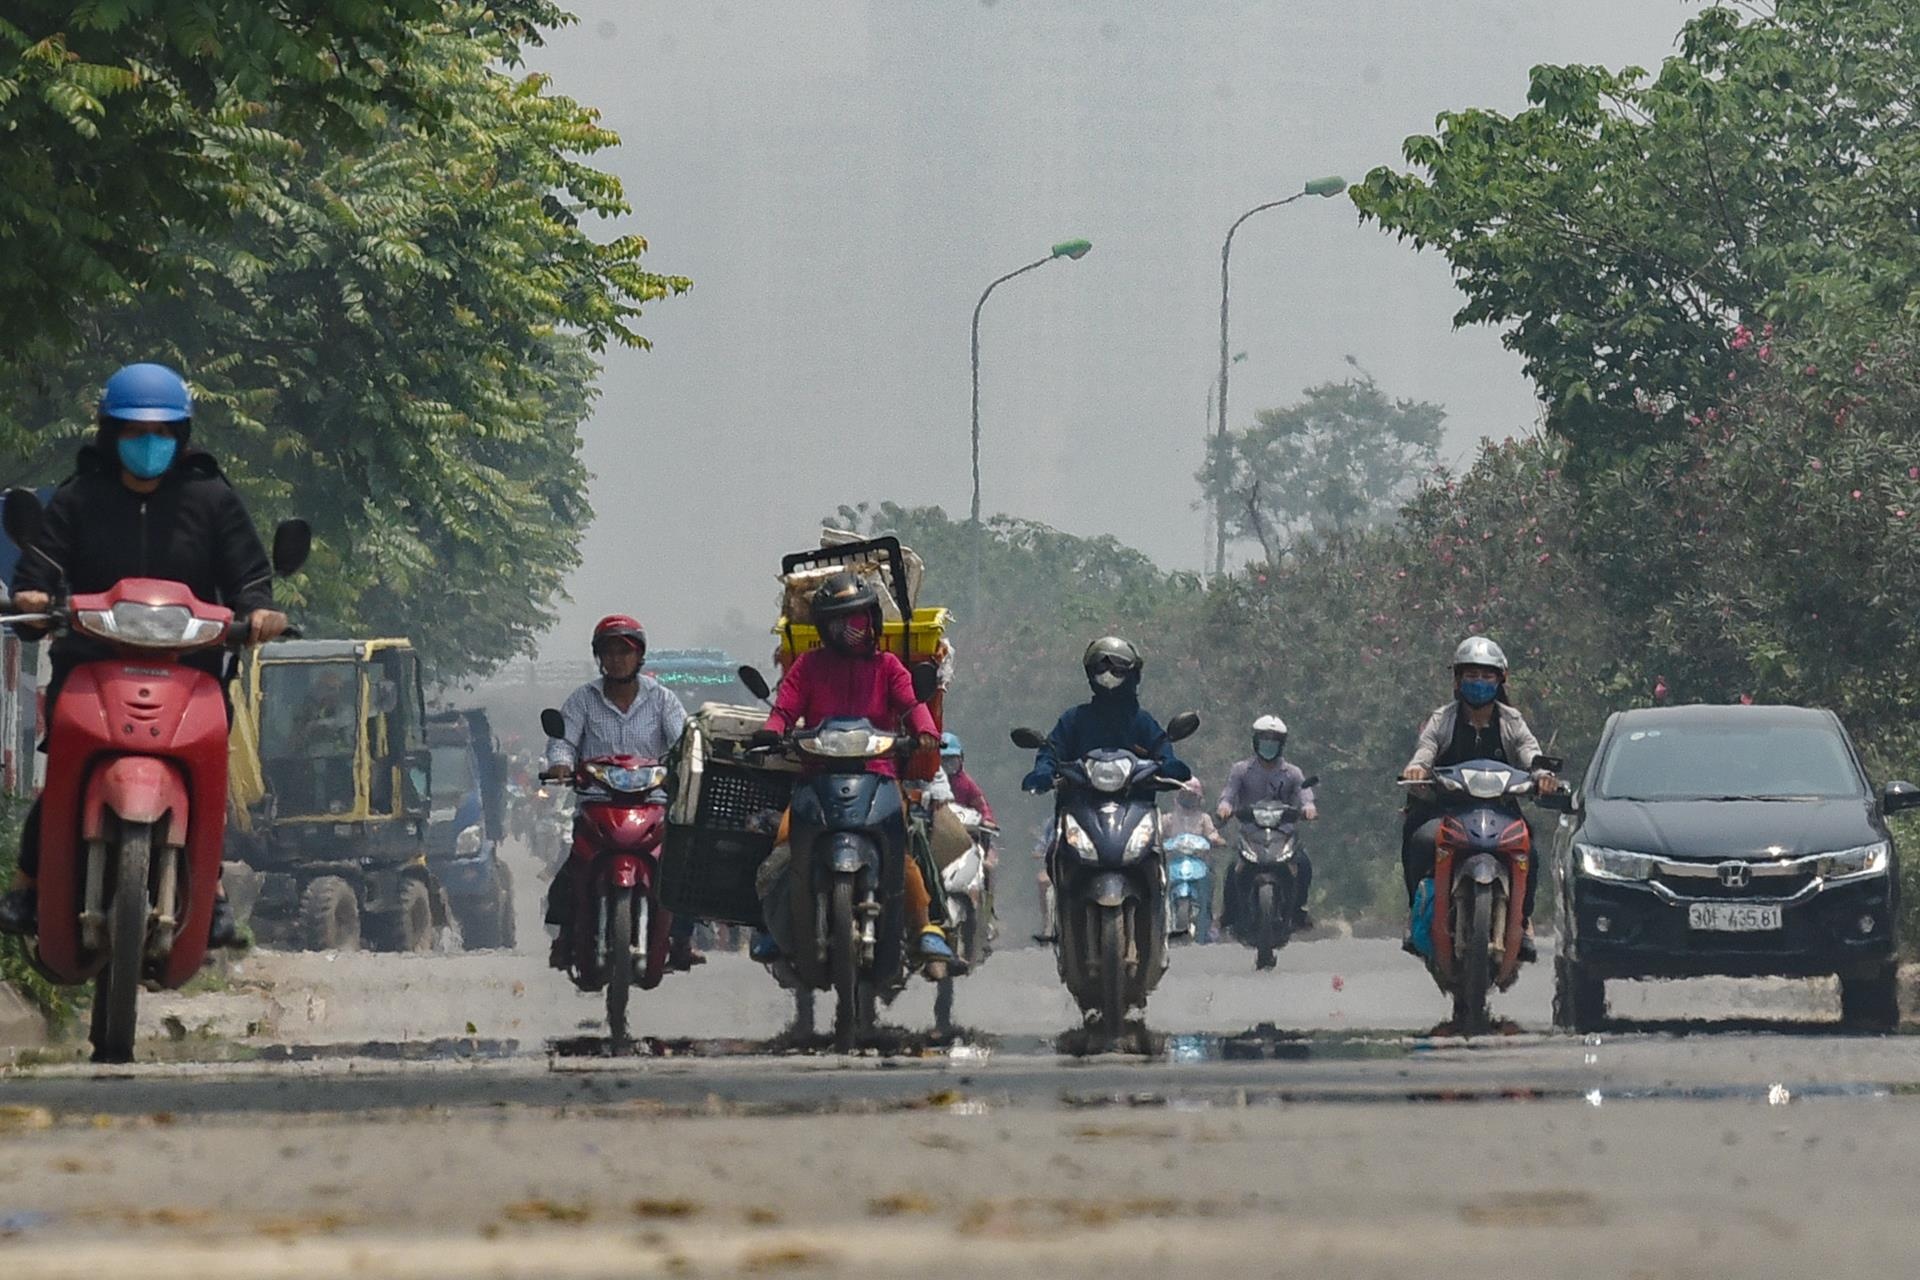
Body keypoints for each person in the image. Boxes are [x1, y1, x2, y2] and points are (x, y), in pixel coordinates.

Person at [0, 363, 289, 946]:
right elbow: (42, 567)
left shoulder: (212, 499)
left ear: (181, 436)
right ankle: (30, 885)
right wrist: (33, 596)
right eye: (134, 432)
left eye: (161, 432)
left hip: (192, 669)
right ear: (111, 434)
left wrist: (258, 611)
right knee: (63, 773)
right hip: (90, 663)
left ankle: (213, 897)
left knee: (207, 774)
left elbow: (249, 575)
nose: (148, 443)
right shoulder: (81, 498)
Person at [753, 572, 956, 967]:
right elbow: (784, 709)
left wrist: (927, 732)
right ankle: (775, 928)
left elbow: (913, 706)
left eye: (859, 619)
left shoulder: (889, 667)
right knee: (782, 843)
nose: (851, 630)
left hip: (878, 776)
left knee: (901, 848)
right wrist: (771, 731)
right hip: (816, 778)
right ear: (824, 628)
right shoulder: (808, 667)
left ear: (874, 620)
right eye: (839, 621)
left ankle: (923, 928)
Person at [540, 615, 695, 970]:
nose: (616, 659)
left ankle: (682, 939)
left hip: (652, 803)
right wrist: (560, 765)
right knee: (572, 869)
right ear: (599, 657)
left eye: (624, 652)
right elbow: (562, 741)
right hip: (597, 803)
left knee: (679, 870)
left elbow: (684, 741)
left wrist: (687, 765)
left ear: (639, 656)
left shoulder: (663, 700)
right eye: (609, 652)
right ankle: (565, 937)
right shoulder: (582, 700)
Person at [1398, 635, 1559, 960]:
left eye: (1487, 676)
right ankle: (1417, 914)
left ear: (1501, 680)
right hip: (1446, 810)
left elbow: (1531, 752)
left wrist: (1542, 776)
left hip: (1501, 810)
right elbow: (1425, 750)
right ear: (1458, 680)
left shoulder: (1511, 721)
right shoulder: (1442, 719)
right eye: (1471, 675)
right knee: (1416, 839)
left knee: (1531, 849)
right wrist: (1417, 769)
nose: (1479, 683)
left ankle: (1522, 922)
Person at [1020, 636, 1192, 793]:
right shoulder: (1074, 719)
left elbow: (1160, 746)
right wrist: (1043, 771)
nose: (1108, 676)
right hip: (1077, 806)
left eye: (1118, 670)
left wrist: (1170, 764)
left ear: (1133, 674)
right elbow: (1052, 749)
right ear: (1091, 673)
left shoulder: (1142, 721)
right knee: (1052, 829)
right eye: (1101, 668)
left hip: (1137, 806)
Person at [1216, 715, 1319, 931]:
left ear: (1281, 744)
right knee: (1232, 869)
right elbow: (1229, 794)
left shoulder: (1292, 772)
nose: (1269, 744)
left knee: (1304, 864)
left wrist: (1308, 807)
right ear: (1256, 741)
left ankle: (1299, 909)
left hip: (1284, 834)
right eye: (1265, 739)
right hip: (1251, 834)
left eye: (1274, 740)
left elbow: (1304, 794)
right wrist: (1225, 806)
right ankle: (1230, 913)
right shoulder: (1241, 770)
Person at [937, 733, 995, 827]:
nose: (948, 766)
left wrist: (987, 819)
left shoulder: (966, 783)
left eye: (952, 761)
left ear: (961, 759)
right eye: (943, 761)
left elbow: (981, 805)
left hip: (962, 827)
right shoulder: (931, 780)